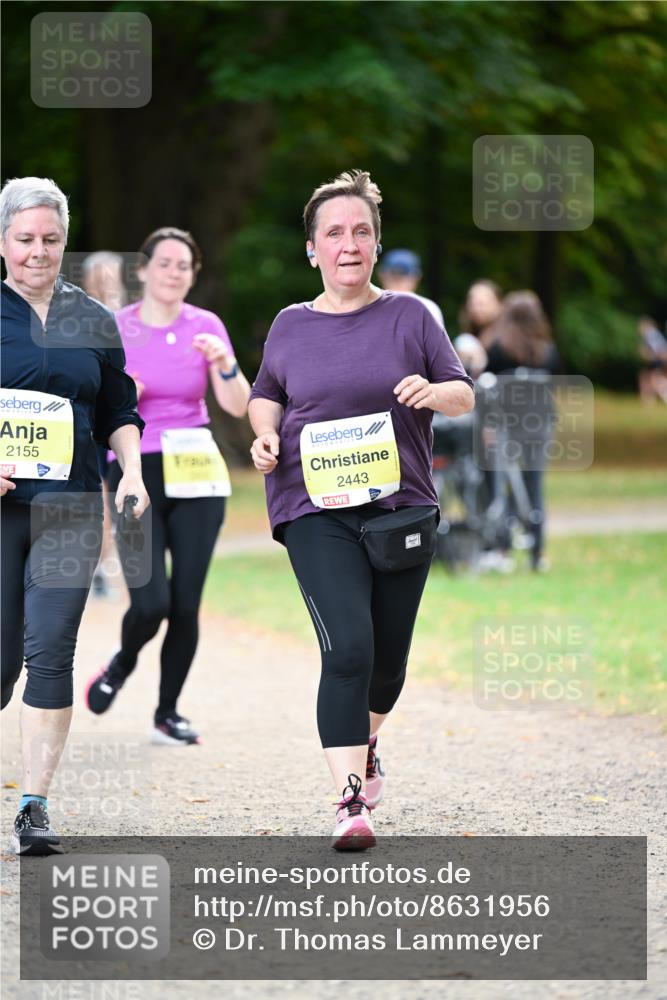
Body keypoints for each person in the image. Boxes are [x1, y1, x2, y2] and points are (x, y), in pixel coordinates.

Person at [248, 170, 474, 850]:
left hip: (398, 506)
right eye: (333, 233)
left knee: (387, 663)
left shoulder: (411, 317)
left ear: (375, 244)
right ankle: (348, 800)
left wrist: (430, 393)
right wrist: (263, 435)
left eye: (361, 232)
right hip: (312, 506)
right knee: (346, 648)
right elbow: (267, 393)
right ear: (311, 249)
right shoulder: (290, 324)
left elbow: (461, 394)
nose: (348, 244)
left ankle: (366, 739)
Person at [0, 177, 148, 855]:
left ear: (65, 241)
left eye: (50, 240)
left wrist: (134, 473)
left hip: (69, 509)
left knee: (51, 652)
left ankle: (34, 805)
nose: (38, 252)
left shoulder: (93, 318)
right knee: (4, 663)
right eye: (25, 239)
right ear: (4, 241)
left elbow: (118, 410)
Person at [85, 227, 251, 745]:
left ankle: (168, 711)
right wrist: (123, 396)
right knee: (151, 601)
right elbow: (91, 406)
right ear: (144, 270)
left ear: (193, 274)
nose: (174, 272)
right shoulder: (115, 327)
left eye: (184, 265)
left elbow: (238, 405)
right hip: (136, 468)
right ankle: (121, 662)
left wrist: (225, 365)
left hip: (197, 469)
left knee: (185, 602)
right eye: (165, 263)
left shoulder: (207, 326)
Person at [481, 290, 561, 571]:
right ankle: (537, 553)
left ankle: (502, 546)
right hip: (540, 426)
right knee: (534, 485)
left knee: (505, 485)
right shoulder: (548, 352)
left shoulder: (497, 350)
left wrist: (488, 425)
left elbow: (487, 391)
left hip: (508, 426)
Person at [81, 252, 129, 597]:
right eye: (99, 275)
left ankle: (103, 564)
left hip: (124, 422)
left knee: (115, 499)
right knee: (98, 499)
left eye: (111, 274)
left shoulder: (134, 319)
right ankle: (95, 566)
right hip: (88, 423)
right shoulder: (74, 316)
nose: (106, 281)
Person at [377, 248, 445, 327]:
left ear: (381, 274)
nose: (397, 280)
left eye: (400, 277)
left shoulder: (368, 306)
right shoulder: (429, 308)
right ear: (417, 276)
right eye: (395, 277)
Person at [458, 279, 503, 346]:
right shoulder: (465, 341)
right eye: (472, 303)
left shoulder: (506, 343)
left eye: (481, 303)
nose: (476, 308)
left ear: (498, 304)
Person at [637, 316, 667, 404]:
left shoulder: (651, 334)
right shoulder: (652, 334)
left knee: (656, 380)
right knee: (647, 378)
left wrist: (646, 353)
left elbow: (658, 350)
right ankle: (648, 400)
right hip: (658, 359)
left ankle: (653, 399)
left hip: (658, 360)